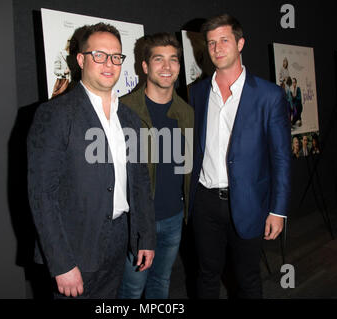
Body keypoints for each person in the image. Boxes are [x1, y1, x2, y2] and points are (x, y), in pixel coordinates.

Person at [27, 23, 156, 299]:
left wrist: (145, 235)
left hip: (119, 239)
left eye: (115, 57)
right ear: (81, 60)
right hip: (74, 246)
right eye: (99, 55)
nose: (109, 63)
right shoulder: (56, 114)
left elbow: (140, 181)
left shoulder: (131, 119)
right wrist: (61, 263)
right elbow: (42, 195)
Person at [188, 14, 291, 298]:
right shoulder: (197, 92)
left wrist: (278, 210)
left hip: (248, 200)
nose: (217, 48)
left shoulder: (269, 96)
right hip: (205, 202)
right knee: (206, 275)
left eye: (224, 40)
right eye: (211, 43)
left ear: (240, 43)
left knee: (247, 278)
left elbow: (281, 158)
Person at [117, 33, 194, 299]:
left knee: (161, 284)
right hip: (138, 222)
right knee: (132, 289)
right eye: (158, 59)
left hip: (174, 218)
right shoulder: (123, 110)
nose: (167, 67)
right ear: (145, 67)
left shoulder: (187, 112)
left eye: (173, 60)